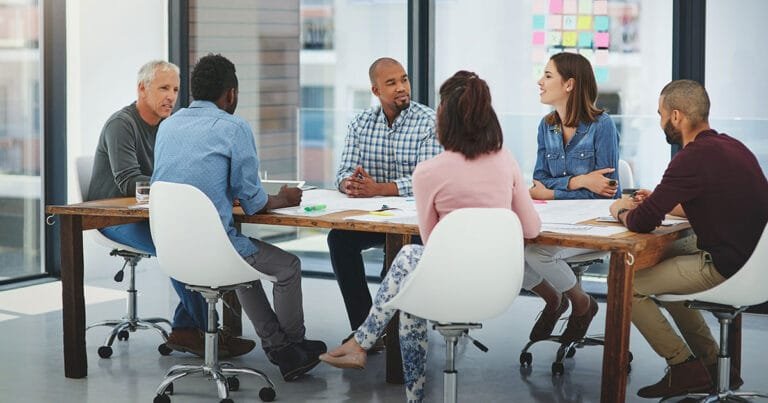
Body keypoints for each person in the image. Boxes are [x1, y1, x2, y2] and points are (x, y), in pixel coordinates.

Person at [319, 71, 541, 402]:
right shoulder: (506, 161)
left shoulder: (428, 173)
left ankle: (367, 347)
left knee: (410, 260)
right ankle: (367, 349)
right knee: (411, 296)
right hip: (500, 283)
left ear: (444, 120)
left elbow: (429, 240)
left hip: (447, 280)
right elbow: (532, 229)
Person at [152, 54, 327, 382]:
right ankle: (293, 345)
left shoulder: (168, 126)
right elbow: (253, 203)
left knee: (243, 270)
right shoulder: (233, 127)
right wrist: (284, 198)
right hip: (218, 249)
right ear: (230, 94)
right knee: (287, 267)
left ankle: (280, 347)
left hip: (171, 251)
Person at [609, 79, 768, 398]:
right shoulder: (734, 147)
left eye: (660, 114)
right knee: (671, 258)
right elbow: (713, 201)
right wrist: (660, 199)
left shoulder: (690, 159)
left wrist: (619, 210)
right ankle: (710, 364)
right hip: (754, 265)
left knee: (629, 285)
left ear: (677, 116)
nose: (660, 122)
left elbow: (641, 222)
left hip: (726, 267)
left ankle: (682, 367)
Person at [85, 60, 252, 358]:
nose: (171, 97)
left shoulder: (169, 124)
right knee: (181, 245)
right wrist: (187, 188)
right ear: (141, 88)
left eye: (175, 89)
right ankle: (209, 332)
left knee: (200, 240)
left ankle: (185, 330)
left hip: (156, 214)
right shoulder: (120, 125)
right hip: (114, 218)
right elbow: (128, 182)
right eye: (163, 88)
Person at [327, 57, 443, 338]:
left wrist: (378, 187)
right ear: (376, 91)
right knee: (338, 239)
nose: (402, 87)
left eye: (404, 79)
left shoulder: (429, 122)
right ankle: (365, 329)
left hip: (417, 223)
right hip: (374, 217)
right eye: (391, 83)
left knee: (395, 264)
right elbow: (343, 170)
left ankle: (390, 336)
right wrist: (349, 184)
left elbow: (425, 179)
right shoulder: (360, 123)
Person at [523, 52, 621, 344]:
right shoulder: (547, 126)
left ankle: (581, 304)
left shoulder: (602, 126)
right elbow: (539, 181)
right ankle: (555, 300)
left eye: (548, 75)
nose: (540, 82)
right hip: (553, 222)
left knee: (535, 253)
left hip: (592, 225)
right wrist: (579, 180)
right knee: (510, 254)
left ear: (569, 85)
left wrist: (553, 191)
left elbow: (607, 190)